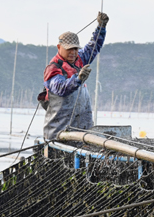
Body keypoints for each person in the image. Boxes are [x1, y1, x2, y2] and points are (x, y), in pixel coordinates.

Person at [41, 12, 108, 140]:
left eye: (76, 49)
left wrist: (101, 27)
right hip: (58, 135)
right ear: (59, 47)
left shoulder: (79, 60)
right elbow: (61, 88)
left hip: (82, 134)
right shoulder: (53, 69)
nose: (73, 52)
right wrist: (78, 79)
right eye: (69, 49)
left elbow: (94, 46)